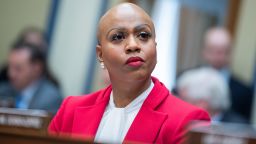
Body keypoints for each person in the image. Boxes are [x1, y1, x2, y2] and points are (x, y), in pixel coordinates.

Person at [48, 3, 210, 143]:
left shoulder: (188, 121)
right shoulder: (70, 109)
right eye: (118, 37)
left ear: (155, 46)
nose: (133, 45)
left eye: (143, 35)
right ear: (100, 55)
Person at [202, 27, 253, 121]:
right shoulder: (185, 81)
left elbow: (243, 128)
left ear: (230, 53)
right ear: (205, 51)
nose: (218, 56)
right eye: (214, 50)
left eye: (224, 51)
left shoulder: (244, 92)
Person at [0, 43, 62, 114]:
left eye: (18, 68)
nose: (11, 74)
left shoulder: (51, 98)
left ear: (36, 68)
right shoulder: (3, 91)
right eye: (9, 67)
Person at [177, 67, 248, 124]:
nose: (179, 106)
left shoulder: (239, 129)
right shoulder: (181, 124)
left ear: (202, 104)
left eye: (184, 100)